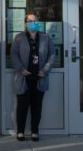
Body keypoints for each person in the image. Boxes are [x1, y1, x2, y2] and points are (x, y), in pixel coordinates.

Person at [10, 13, 53, 141]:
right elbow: (13, 55)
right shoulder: (19, 38)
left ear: (39, 22)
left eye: (35, 21)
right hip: (24, 77)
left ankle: (35, 131)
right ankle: (20, 132)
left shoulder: (46, 38)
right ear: (25, 23)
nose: (33, 23)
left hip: (39, 77)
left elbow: (51, 54)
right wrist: (21, 69)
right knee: (22, 106)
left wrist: (45, 70)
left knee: (37, 106)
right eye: (30, 21)